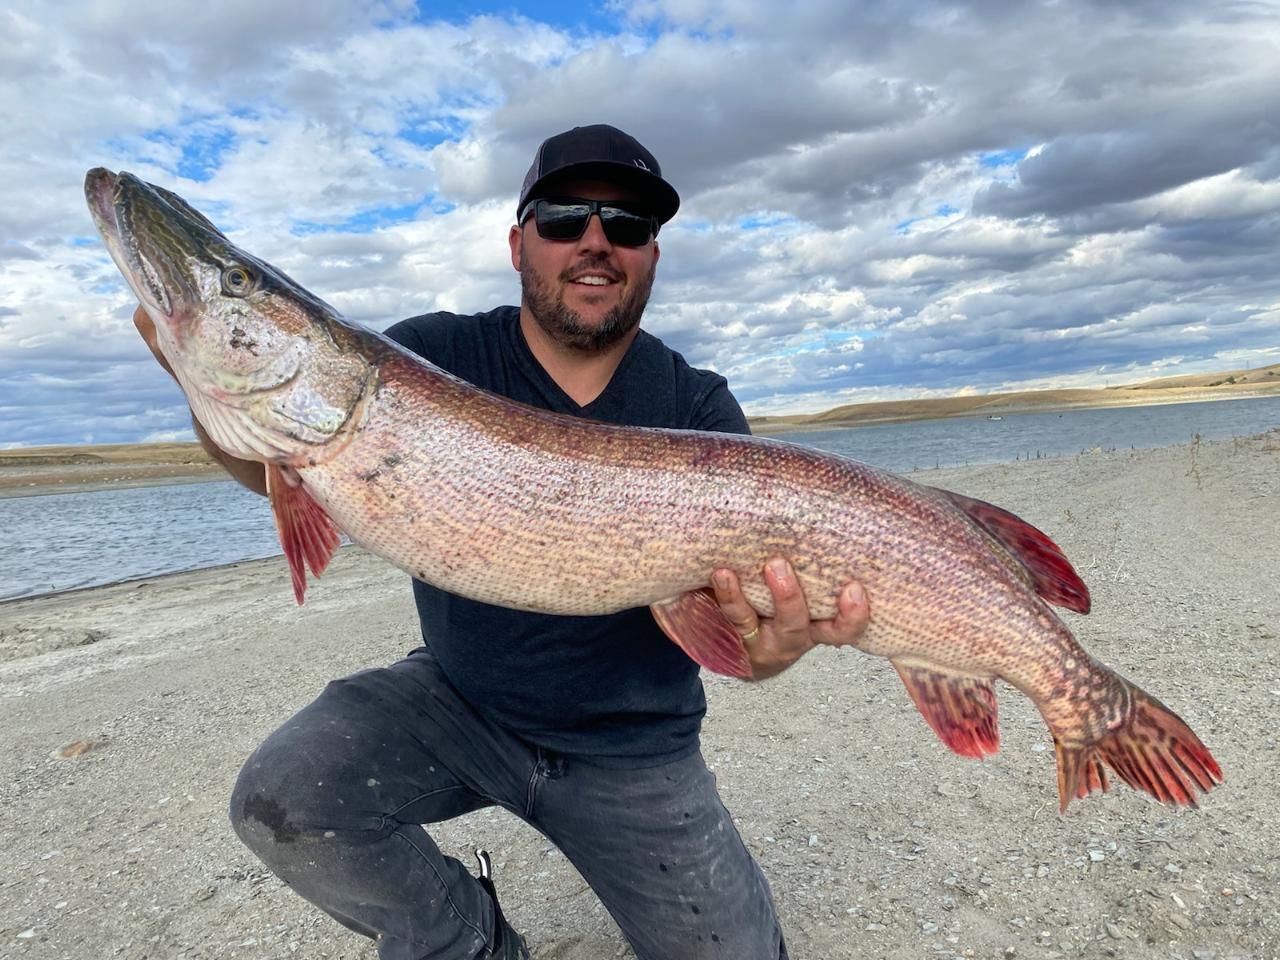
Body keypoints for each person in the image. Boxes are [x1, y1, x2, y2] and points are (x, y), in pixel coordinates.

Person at [134, 124, 869, 960]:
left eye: (627, 226)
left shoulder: (698, 409)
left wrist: (776, 649)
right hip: (458, 704)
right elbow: (276, 462)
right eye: (564, 218)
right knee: (287, 793)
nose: (595, 242)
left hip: (630, 748)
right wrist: (199, 376)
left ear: (652, 255)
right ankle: (473, 939)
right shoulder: (432, 354)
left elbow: (748, 644)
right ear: (520, 242)